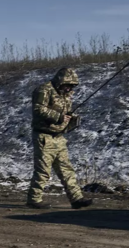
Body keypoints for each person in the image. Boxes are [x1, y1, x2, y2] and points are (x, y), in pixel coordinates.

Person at [26, 67, 93, 209]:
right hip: (44, 137)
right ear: (61, 81)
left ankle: (76, 199)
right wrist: (59, 117)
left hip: (59, 137)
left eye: (72, 86)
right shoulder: (43, 90)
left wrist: (71, 119)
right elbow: (38, 109)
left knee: (66, 170)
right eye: (68, 85)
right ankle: (34, 199)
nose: (69, 89)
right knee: (43, 171)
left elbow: (65, 112)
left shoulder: (65, 95)